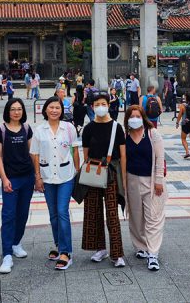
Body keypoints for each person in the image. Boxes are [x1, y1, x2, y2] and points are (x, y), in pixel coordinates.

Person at [31, 96, 80, 270]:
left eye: (57, 107)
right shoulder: (39, 130)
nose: (54, 110)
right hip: (46, 176)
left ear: (62, 110)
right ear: (45, 110)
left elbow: (74, 150)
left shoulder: (69, 128)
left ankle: (67, 252)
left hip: (66, 175)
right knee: (53, 214)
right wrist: (37, 177)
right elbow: (34, 154)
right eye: (51, 107)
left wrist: (77, 171)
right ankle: (59, 245)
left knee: (62, 211)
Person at [81, 93, 127, 267]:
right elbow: (85, 155)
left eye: (103, 103)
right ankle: (100, 249)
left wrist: (124, 178)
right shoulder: (88, 128)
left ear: (108, 105)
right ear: (92, 107)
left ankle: (117, 253)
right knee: (93, 211)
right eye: (97, 104)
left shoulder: (117, 127)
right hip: (93, 171)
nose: (100, 106)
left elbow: (123, 156)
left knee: (112, 213)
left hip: (112, 172)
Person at [0, 98, 35, 274]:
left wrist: (37, 177)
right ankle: (7, 254)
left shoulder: (26, 129)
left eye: (19, 109)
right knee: (9, 215)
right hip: (11, 179)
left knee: (23, 214)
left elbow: (32, 154)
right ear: (8, 111)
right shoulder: (1, 130)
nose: (16, 112)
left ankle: (16, 242)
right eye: (13, 109)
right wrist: (4, 178)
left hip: (27, 178)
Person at [124, 105, 167, 271]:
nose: (135, 119)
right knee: (136, 217)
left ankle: (153, 253)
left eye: (138, 116)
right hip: (131, 180)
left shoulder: (152, 134)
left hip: (151, 182)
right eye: (131, 116)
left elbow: (160, 157)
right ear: (127, 119)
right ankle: (140, 246)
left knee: (153, 217)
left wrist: (158, 181)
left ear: (143, 117)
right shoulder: (125, 135)